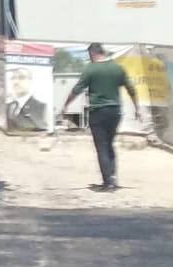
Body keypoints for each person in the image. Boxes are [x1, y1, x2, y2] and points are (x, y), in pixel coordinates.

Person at [59, 42, 142, 191]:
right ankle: (113, 178)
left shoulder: (91, 69)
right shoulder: (117, 68)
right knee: (110, 144)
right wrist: (137, 108)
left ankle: (107, 182)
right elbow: (131, 89)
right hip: (115, 112)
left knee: (102, 146)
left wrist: (65, 105)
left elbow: (77, 89)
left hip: (98, 111)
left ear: (92, 53)